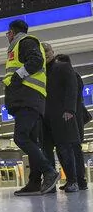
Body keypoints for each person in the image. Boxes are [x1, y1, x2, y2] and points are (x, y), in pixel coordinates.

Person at [3, 20, 59, 196]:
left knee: (21, 137)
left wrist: (17, 77)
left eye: (7, 33)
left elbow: (36, 60)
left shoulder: (25, 42)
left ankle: (49, 172)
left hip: (28, 99)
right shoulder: (18, 46)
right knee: (32, 141)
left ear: (12, 32)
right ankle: (34, 182)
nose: (7, 36)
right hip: (28, 99)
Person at [41, 43, 79, 192]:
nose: (45, 54)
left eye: (47, 51)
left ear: (53, 52)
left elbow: (72, 87)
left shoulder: (63, 67)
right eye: (42, 52)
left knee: (64, 149)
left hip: (61, 115)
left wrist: (70, 109)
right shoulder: (38, 72)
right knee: (47, 150)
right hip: (44, 116)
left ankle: (73, 181)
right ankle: (50, 185)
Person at [55, 53, 88, 190]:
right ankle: (77, 180)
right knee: (72, 150)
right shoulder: (75, 76)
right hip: (75, 117)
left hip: (70, 118)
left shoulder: (71, 76)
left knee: (70, 149)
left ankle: (76, 180)